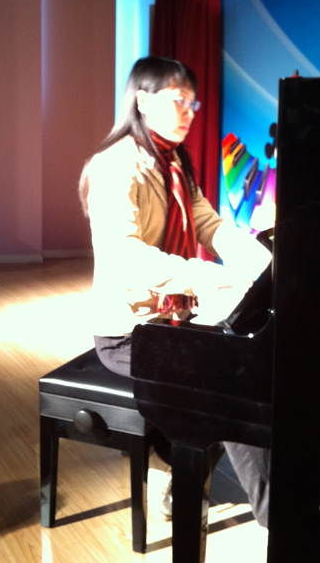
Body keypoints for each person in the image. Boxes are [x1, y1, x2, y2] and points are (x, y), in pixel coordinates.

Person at [78, 55, 272, 523]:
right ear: (143, 101)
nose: (189, 112)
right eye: (178, 100)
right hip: (130, 332)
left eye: (193, 103)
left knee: (253, 360)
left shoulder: (174, 160)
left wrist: (268, 266)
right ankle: (275, 513)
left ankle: (186, 469)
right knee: (227, 381)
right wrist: (211, 276)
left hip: (174, 316)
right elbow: (126, 259)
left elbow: (210, 224)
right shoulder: (116, 166)